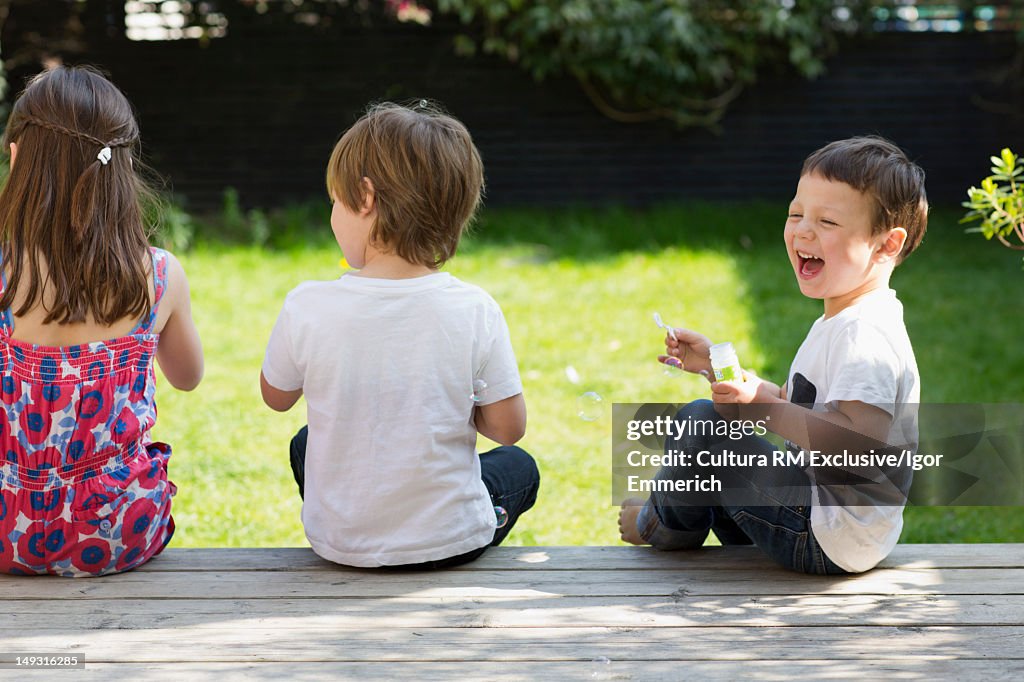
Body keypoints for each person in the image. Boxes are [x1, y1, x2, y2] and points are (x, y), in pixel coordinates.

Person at [620, 136, 926, 574]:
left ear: (885, 245)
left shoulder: (864, 334)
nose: (803, 230)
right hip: (827, 524)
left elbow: (859, 447)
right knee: (710, 425)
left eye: (827, 222)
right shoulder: (845, 320)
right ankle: (682, 519)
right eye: (796, 213)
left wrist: (761, 408)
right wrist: (723, 371)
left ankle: (662, 527)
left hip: (828, 533)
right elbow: (799, 404)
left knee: (703, 424)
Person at [260, 102, 539, 569]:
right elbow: (508, 430)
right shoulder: (474, 309)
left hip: (341, 546)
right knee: (520, 468)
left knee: (305, 442)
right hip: (449, 543)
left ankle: (363, 530)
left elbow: (276, 397)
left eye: (335, 200)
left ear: (364, 198)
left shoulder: (307, 304)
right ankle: (478, 514)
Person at [0, 66, 204, 576]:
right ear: (121, 170)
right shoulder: (158, 275)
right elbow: (188, 376)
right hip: (116, 532)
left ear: (17, 156)